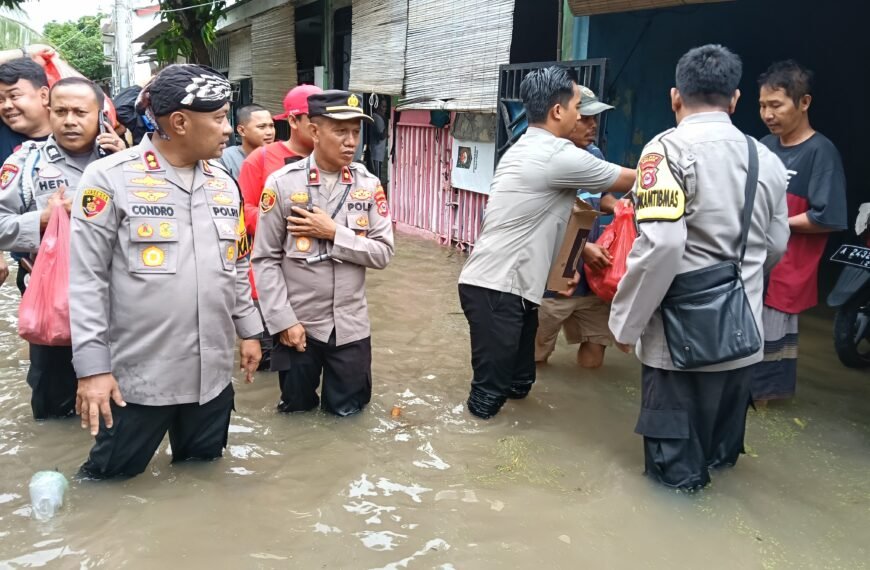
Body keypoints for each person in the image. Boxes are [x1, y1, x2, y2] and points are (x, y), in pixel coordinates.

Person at [609, 44, 790, 490]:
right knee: (720, 464)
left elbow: (662, 246)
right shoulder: (766, 159)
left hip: (679, 350)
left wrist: (625, 324)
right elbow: (776, 244)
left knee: (674, 484)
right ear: (735, 99)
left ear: (675, 96)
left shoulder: (664, 152)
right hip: (742, 341)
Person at [70, 64, 263, 479]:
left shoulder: (224, 184)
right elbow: (86, 280)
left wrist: (249, 332)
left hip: (211, 378)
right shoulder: (109, 179)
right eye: (218, 118)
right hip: (137, 381)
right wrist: (93, 370)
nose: (227, 129)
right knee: (109, 483)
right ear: (179, 122)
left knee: (202, 477)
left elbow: (237, 263)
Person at [457, 66, 635, 419]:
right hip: (497, 289)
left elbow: (557, 218)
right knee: (488, 398)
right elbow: (631, 180)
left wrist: (563, 268)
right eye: (577, 108)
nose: (580, 117)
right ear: (557, 111)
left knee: (520, 383)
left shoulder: (525, 148)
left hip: (512, 289)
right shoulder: (556, 154)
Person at [252, 90, 394, 417]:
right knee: (296, 413)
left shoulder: (368, 185)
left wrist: (334, 233)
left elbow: (383, 253)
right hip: (299, 324)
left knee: (349, 416)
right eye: (341, 131)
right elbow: (265, 259)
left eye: (356, 132)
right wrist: (283, 320)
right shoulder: (282, 184)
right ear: (314, 132)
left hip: (351, 327)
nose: (351, 142)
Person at [0, 77, 124, 419]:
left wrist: (128, 166)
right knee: (54, 409)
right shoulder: (26, 164)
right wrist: (42, 220)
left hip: (122, 304)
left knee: (123, 403)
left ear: (101, 116)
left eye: (80, 112)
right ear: (49, 111)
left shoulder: (127, 163)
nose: (69, 121)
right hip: (56, 303)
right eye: (61, 111)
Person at [752, 61, 848, 403]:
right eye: (762, 105)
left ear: (804, 102)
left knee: (769, 354)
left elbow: (827, 217)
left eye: (776, 105)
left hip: (788, 269)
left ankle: (764, 401)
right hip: (755, 263)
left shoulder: (821, 153)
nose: (767, 114)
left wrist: (777, 222)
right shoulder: (764, 145)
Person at [534, 86, 619, 369]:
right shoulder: (542, 160)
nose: (593, 125)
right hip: (552, 283)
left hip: (593, 280)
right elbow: (543, 222)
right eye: (585, 118)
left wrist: (618, 207)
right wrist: (583, 250)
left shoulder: (594, 154)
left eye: (595, 118)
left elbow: (601, 194)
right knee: (535, 355)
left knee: (596, 343)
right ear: (562, 117)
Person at [238, 85, 321, 369]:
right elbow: (242, 211)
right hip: (268, 277)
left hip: (312, 282)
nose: (321, 126)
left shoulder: (333, 160)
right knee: (268, 363)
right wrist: (283, 222)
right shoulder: (260, 159)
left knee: (307, 360)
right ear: (294, 121)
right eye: (315, 119)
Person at [218, 104, 275, 179]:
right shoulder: (225, 158)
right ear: (241, 130)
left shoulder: (279, 157)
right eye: (261, 127)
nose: (269, 132)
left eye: (271, 126)